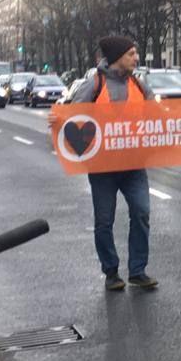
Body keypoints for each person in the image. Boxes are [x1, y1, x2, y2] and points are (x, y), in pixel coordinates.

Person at [59, 34, 159, 291]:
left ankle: (138, 270)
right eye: (131, 54)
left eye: (135, 54)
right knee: (104, 221)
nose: (136, 58)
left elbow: (159, 115)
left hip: (134, 165)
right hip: (103, 168)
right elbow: (73, 115)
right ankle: (111, 272)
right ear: (116, 58)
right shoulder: (94, 84)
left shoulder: (139, 84)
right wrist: (57, 121)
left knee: (142, 213)